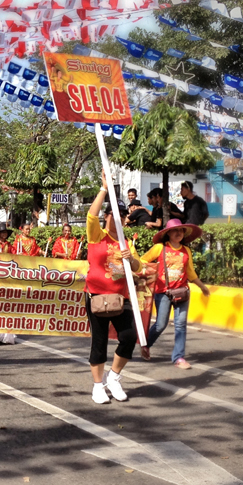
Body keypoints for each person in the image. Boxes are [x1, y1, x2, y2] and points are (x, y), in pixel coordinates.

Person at [84, 173, 142, 404]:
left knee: (129, 337)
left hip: (121, 298)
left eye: (121, 214)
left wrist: (130, 259)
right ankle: (98, 386)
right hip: (97, 297)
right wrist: (103, 189)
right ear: (107, 216)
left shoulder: (127, 244)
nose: (116, 218)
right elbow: (91, 215)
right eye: (112, 214)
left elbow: (138, 267)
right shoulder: (97, 236)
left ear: (125, 219)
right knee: (99, 343)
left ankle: (114, 377)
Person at [140, 219, 211, 368]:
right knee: (160, 324)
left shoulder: (186, 251)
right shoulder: (160, 248)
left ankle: (179, 357)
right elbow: (143, 261)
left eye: (181, 231)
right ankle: (145, 344)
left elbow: (190, 273)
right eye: (175, 231)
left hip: (182, 292)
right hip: (163, 292)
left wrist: (202, 287)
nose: (179, 233)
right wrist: (150, 273)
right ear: (168, 233)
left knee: (180, 325)